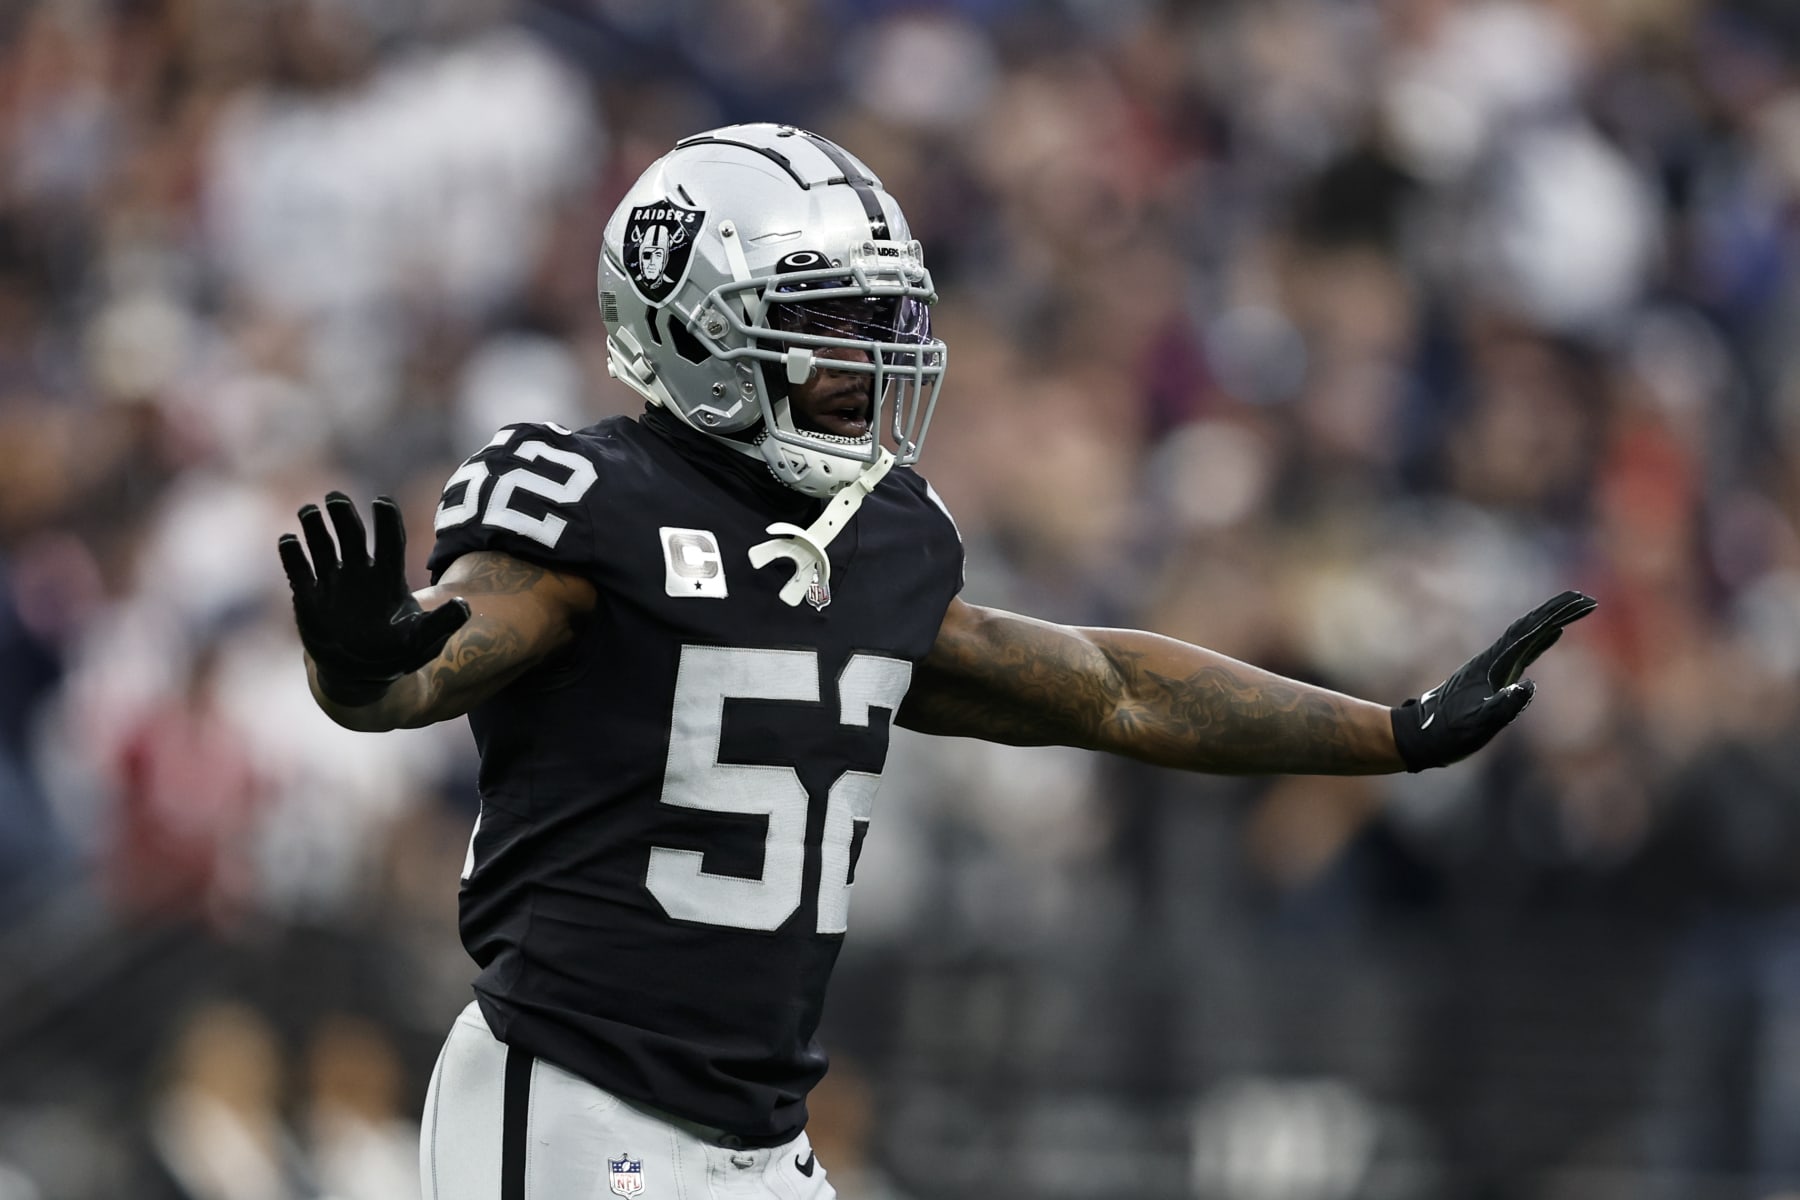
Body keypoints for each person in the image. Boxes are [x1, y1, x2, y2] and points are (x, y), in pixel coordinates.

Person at [276, 123, 1595, 1200]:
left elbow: (1110, 687)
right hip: (570, 1099)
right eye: (825, 319)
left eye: (876, 315)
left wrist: (1390, 730)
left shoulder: (883, 537)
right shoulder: (593, 501)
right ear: (689, 326)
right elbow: (444, 656)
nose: (868, 354)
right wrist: (369, 671)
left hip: (757, 1137)